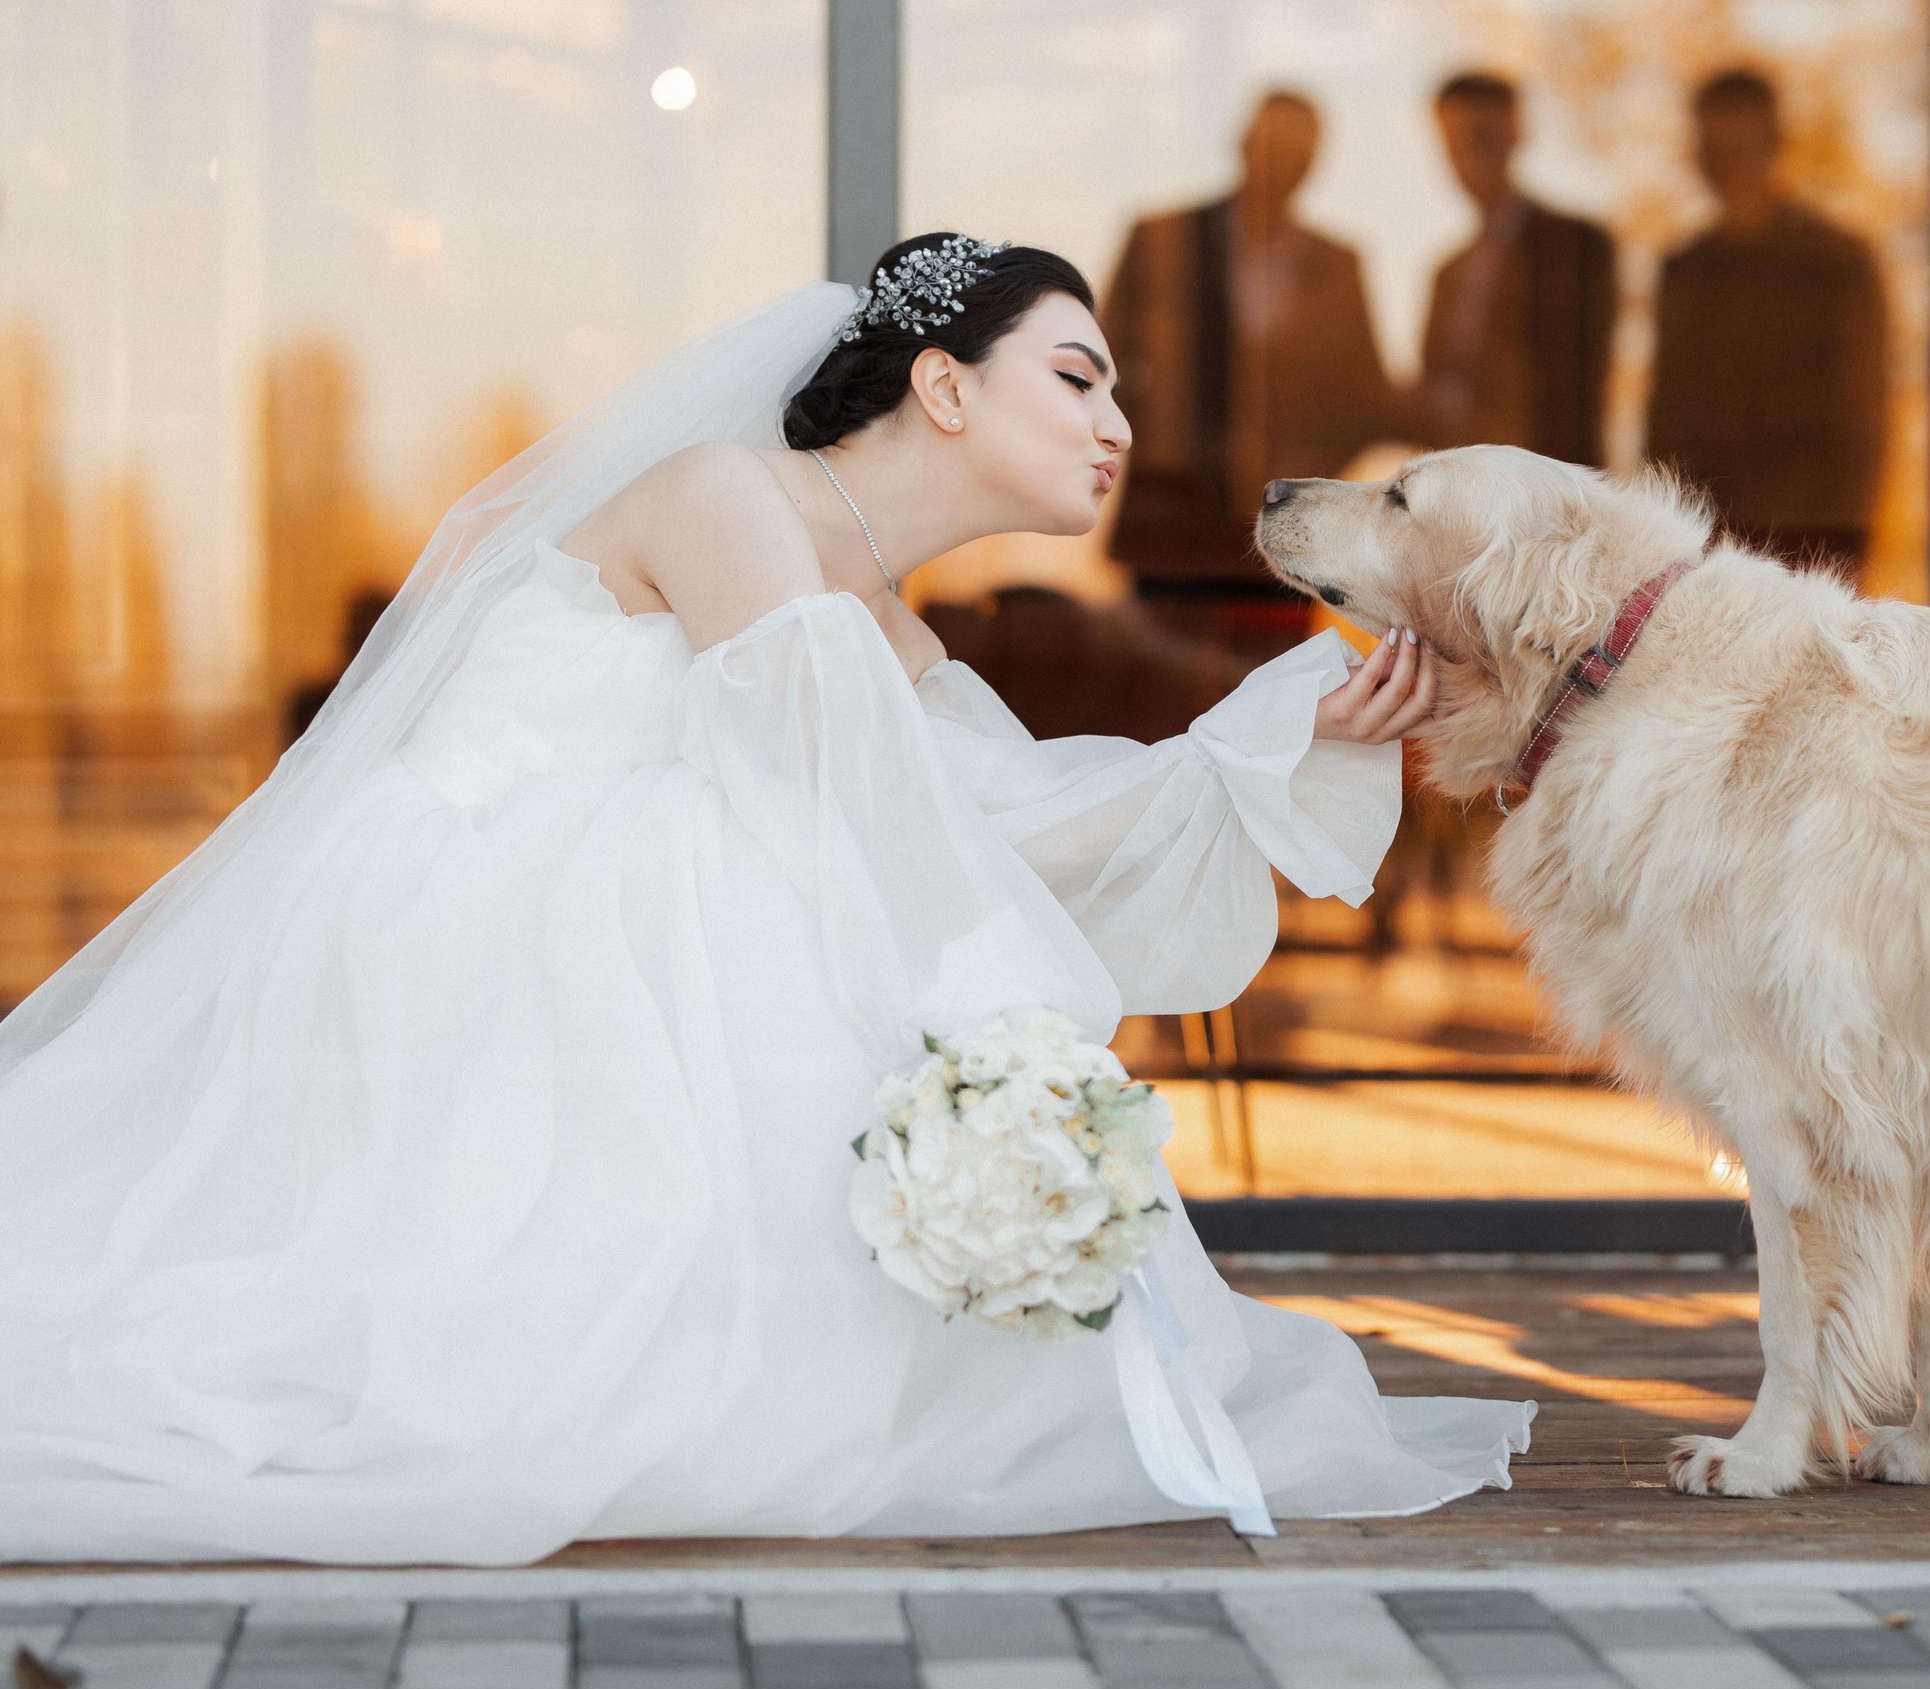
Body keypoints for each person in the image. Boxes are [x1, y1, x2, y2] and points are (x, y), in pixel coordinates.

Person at [0, 235, 1532, 1564]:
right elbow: (853, 805)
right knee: (739, 884)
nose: (1119, 425)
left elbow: (1005, 821)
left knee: (772, 897)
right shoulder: (724, 497)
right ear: (944, 387)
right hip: (465, 934)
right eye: (1079, 378)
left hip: (613, 929)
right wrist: (1015, 1032)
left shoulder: (886, 623)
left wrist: (1270, 738)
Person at [1100, 93, 1396, 630]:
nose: (1281, 162)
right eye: (1269, 145)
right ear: (1242, 144)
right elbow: (1101, 369)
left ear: (1313, 164)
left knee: (1274, 700)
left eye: (1297, 152)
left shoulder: (1339, 263)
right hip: (1169, 535)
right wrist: (1161, 445)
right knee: (1161, 696)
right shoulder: (1159, 239)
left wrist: (1309, 460)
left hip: (1283, 535)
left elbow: (1366, 398)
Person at [1648, 68, 1887, 582]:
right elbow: (1664, 424)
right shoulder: (1685, 270)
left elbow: (1861, 419)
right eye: (1711, 147)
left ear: (1774, 144)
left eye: (1739, 145)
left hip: (1811, 546)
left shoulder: (1837, 263)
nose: (1724, 164)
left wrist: (1845, 554)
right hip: (1706, 549)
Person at [1417, 73, 1617, 466]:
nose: (1468, 157)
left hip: (1549, 490)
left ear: (1516, 134)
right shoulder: (1446, 273)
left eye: (1482, 137)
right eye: (1453, 144)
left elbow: (1574, 387)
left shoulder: (1576, 244)